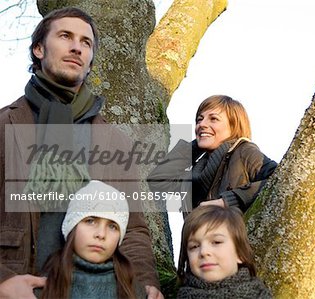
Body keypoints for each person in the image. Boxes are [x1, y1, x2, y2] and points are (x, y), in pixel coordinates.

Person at [0, 7, 163, 299]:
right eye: (65, 36)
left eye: (86, 43)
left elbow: (134, 228)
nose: (77, 47)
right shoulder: (4, 125)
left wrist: (146, 285)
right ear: (39, 48)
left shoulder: (114, 141)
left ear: (89, 62)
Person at [148, 95, 277, 215]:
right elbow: (158, 180)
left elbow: (276, 180)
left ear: (234, 126)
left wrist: (228, 201)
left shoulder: (244, 152)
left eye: (213, 119)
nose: (202, 124)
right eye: (199, 119)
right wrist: (195, 146)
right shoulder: (197, 169)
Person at [37, 180, 146, 299]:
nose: (101, 234)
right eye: (90, 221)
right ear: (73, 226)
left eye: (112, 226)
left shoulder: (133, 290)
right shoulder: (44, 285)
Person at [176, 205, 272, 298]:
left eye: (216, 242)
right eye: (194, 246)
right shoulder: (180, 295)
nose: (203, 252)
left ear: (240, 253)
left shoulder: (259, 295)